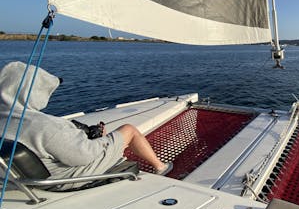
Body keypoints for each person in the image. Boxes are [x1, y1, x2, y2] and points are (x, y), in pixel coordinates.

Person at [0, 61, 172, 190]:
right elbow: (84, 155)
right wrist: (102, 141)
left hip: (24, 177)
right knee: (129, 130)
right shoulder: (43, 125)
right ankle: (161, 167)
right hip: (61, 179)